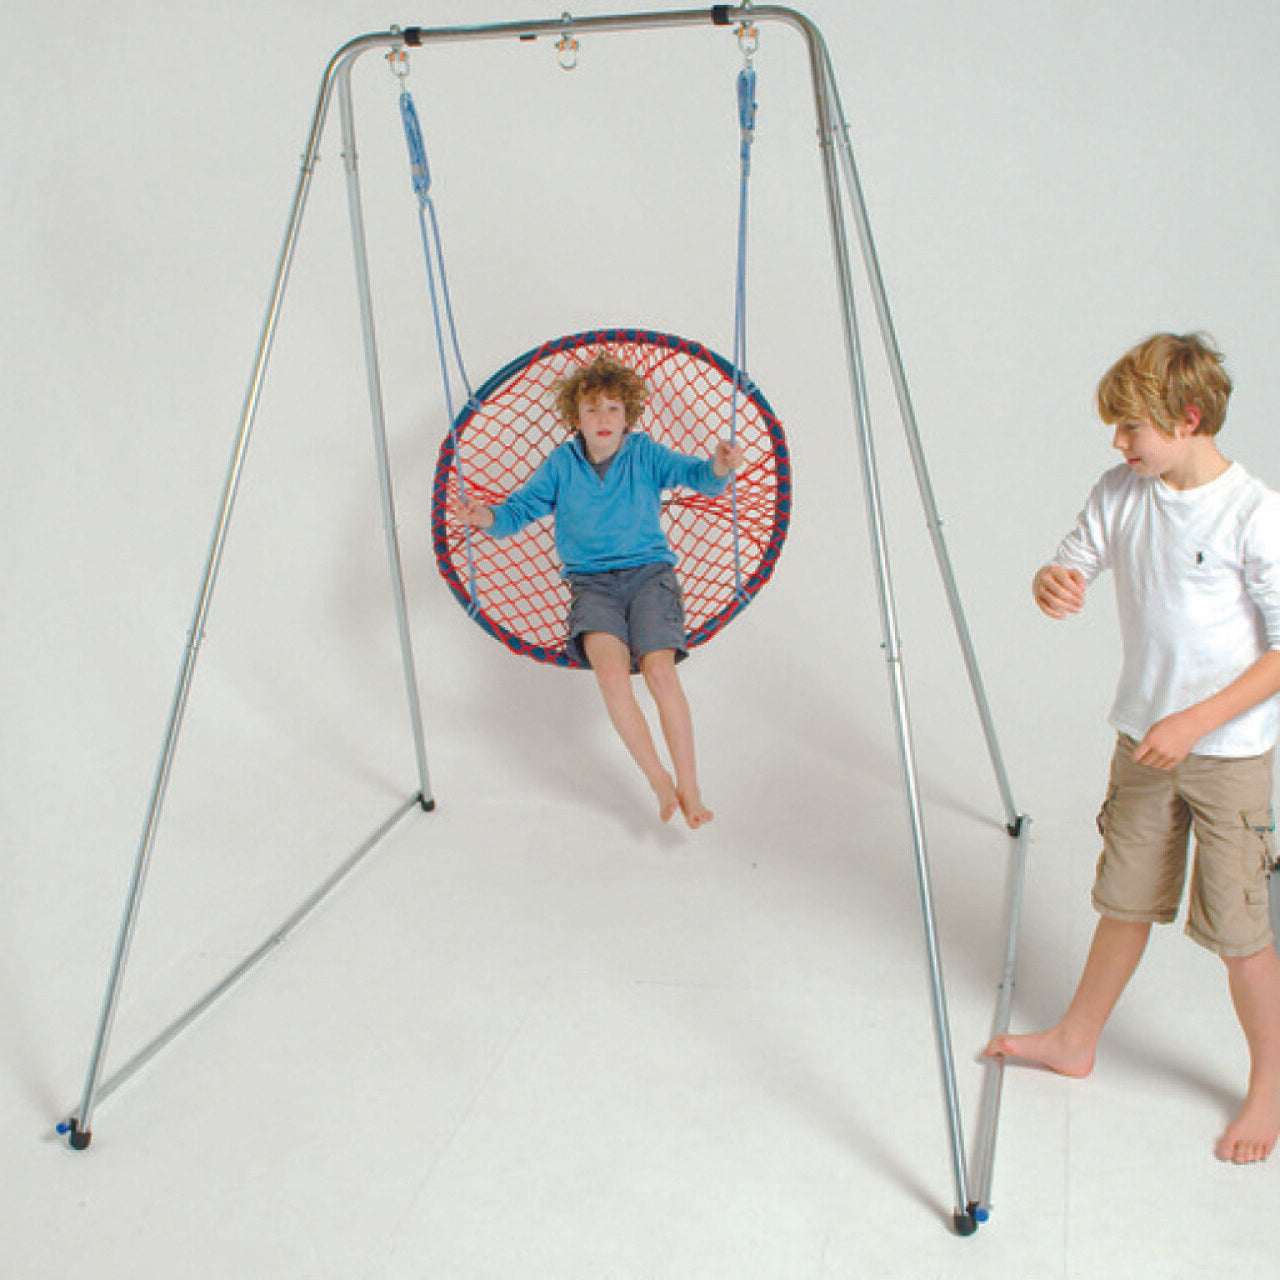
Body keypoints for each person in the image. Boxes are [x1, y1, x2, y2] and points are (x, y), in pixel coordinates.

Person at [985, 332, 1280, 1165]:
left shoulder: (1255, 514)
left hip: (1227, 757)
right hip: (1143, 741)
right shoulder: (1122, 492)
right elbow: (1071, 563)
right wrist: (1051, 582)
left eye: (1131, 428)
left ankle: (1269, 1085)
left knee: (1241, 935)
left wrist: (1195, 722)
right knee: (1123, 901)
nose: (1119, 443)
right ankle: (1076, 1039)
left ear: (1187, 418)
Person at [453, 351, 743, 829]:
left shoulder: (645, 454)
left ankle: (690, 785)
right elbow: (517, 512)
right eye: (591, 409)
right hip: (592, 588)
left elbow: (698, 478)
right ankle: (658, 779)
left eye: (612, 408)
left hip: (650, 577)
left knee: (660, 671)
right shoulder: (561, 465)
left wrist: (718, 466)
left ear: (628, 416)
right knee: (610, 677)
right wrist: (484, 516)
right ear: (576, 418)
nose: (602, 418)